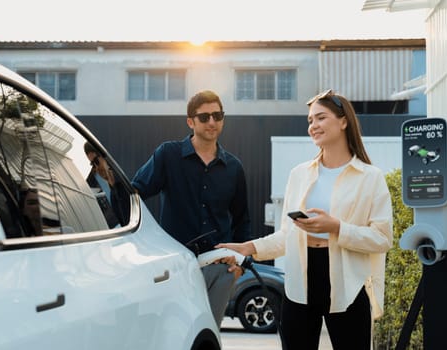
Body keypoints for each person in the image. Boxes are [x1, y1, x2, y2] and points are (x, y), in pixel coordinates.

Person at [217, 89, 393, 350]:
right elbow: (287, 235)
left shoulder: (370, 177)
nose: (313, 126)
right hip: (300, 282)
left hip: (348, 284)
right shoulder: (299, 175)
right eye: (310, 120)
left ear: (343, 121)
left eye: (320, 118)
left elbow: (382, 239)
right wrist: (248, 248)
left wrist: (336, 228)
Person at [131, 90, 251, 327]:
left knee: (208, 333)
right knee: (174, 333)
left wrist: (240, 264)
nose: (212, 122)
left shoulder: (234, 167)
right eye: (204, 117)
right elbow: (135, 195)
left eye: (217, 115)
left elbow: (241, 220)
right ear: (190, 121)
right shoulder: (168, 155)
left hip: (221, 268)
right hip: (176, 266)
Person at [84, 142, 129, 228]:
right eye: (92, 164)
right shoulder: (113, 189)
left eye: (96, 161)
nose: (96, 168)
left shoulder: (123, 180)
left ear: (104, 155)